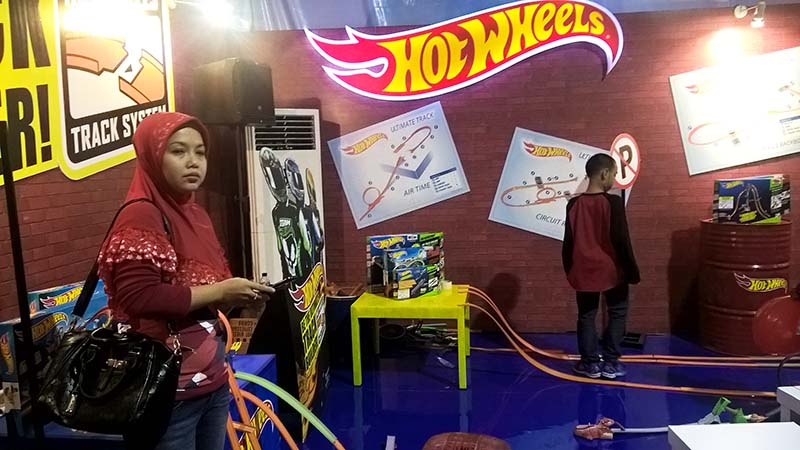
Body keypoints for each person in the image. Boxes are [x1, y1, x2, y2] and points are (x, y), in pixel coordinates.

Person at [97, 112, 275, 450]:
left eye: (200, 152)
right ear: (152, 156)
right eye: (178, 151)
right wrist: (221, 290)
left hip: (212, 381)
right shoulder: (142, 214)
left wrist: (239, 298)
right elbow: (139, 297)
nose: (193, 161)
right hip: (165, 392)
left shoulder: (196, 215)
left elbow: (202, 297)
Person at [562, 153, 639, 380]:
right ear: (604, 173)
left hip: (583, 270)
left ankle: (590, 364)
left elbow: (568, 242)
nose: (614, 180)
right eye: (614, 174)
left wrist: (569, 269)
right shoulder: (613, 203)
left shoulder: (573, 204)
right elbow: (622, 240)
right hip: (612, 270)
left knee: (586, 315)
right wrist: (632, 271)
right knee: (617, 312)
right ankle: (611, 363)